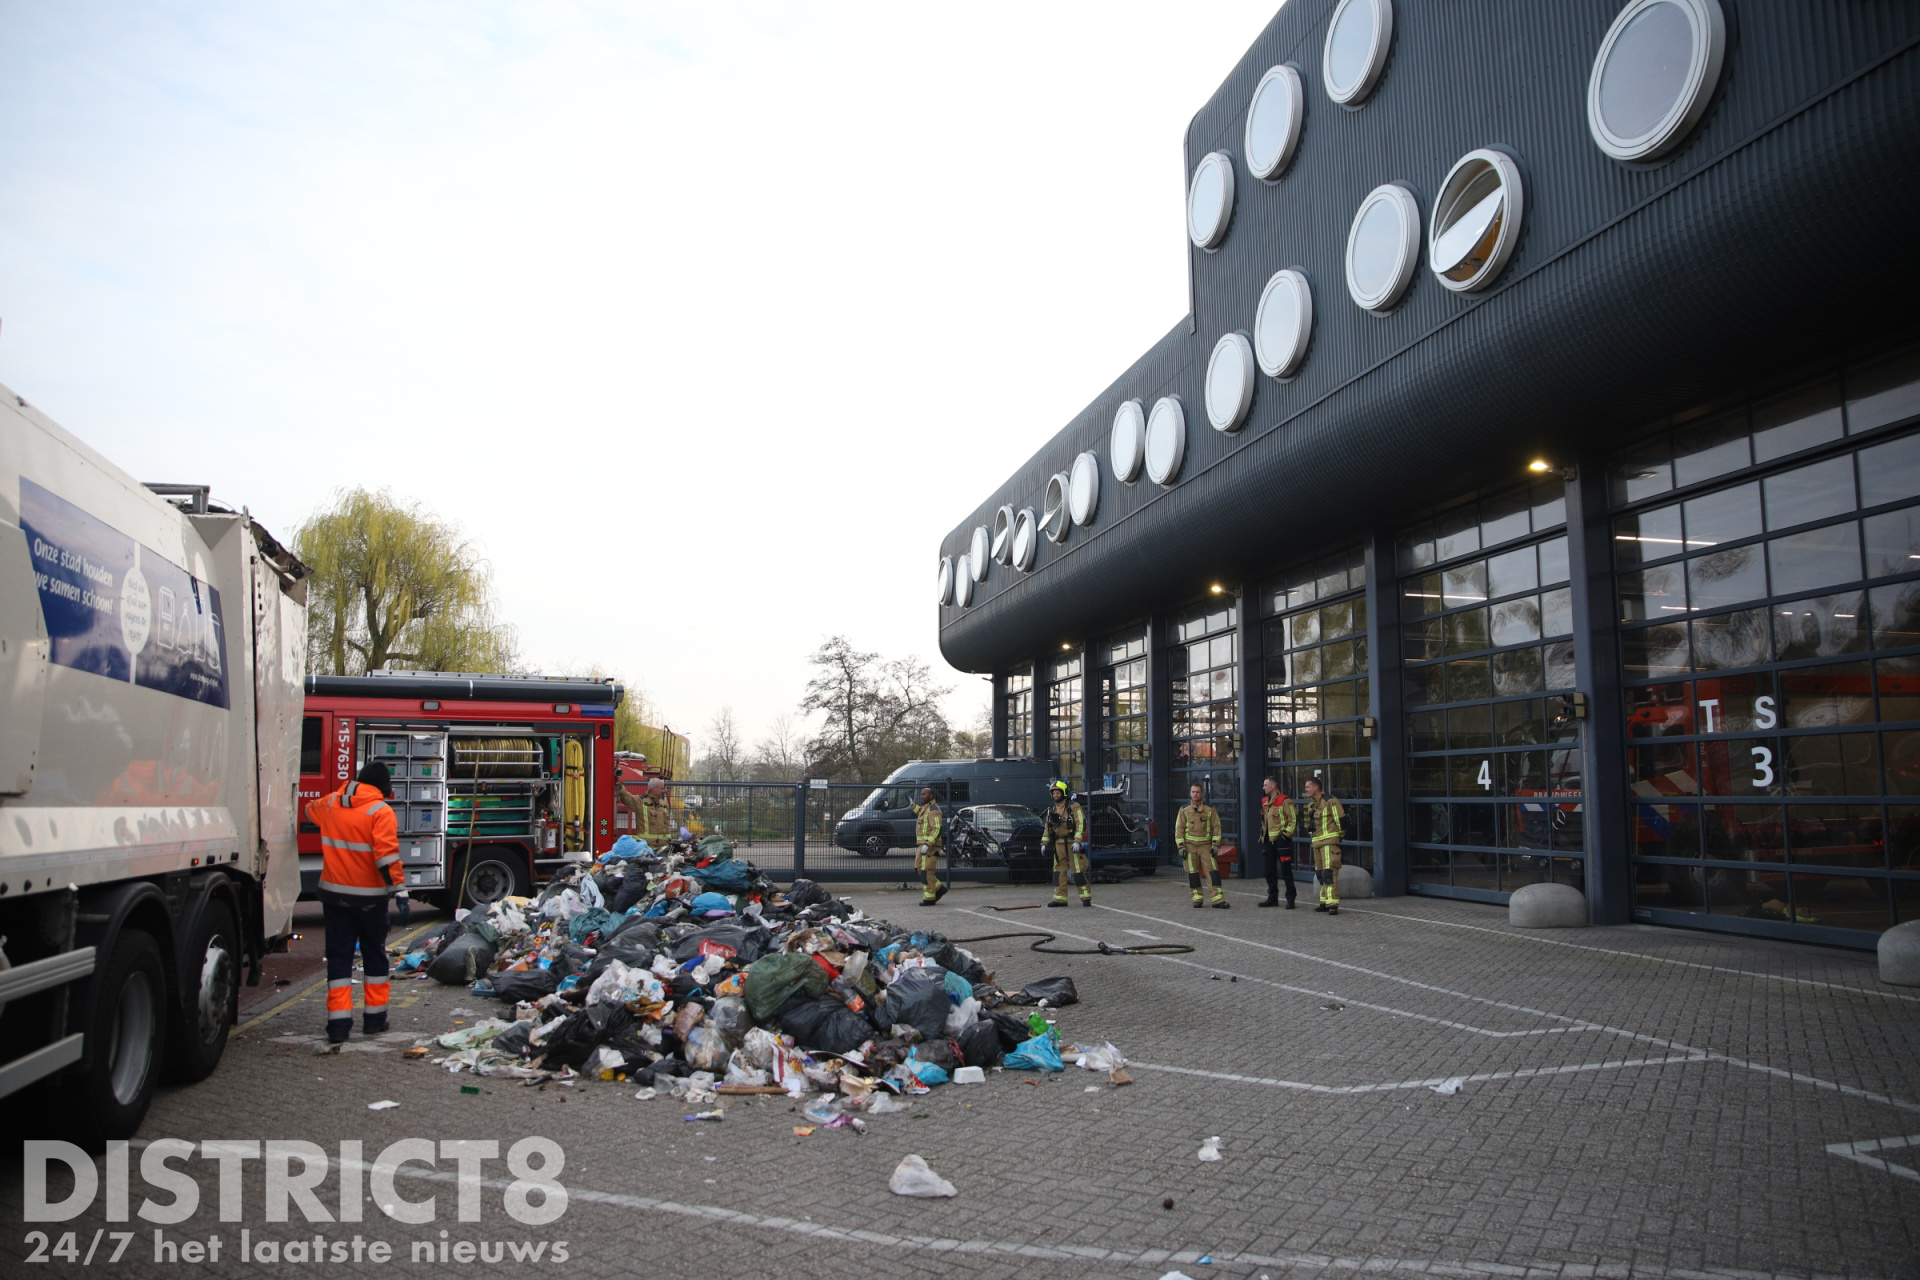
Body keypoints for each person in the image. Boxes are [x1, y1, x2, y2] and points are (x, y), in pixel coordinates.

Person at [308, 761, 405, 1044]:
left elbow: (308, 811)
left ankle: (338, 1027)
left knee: (339, 957)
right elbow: (387, 857)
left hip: (334, 896)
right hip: (369, 899)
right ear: (383, 788)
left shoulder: (331, 803)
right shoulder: (380, 811)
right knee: (375, 955)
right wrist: (401, 893)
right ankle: (374, 1020)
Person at [1175, 782, 1229, 909]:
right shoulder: (1184, 810)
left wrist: (1215, 845)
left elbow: (1217, 827)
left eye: (1197, 792)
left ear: (1202, 793)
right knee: (1193, 874)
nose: (1195, 794)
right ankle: (1197, 898)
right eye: (1193, 792)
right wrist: (1181, 846)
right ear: (1190, 793)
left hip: (1206, 846)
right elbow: (1179, 829)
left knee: (1212, 873)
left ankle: (1217, 899)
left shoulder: (1210, 809)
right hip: (1189, 847)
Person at [1042, 780, 1091, 907]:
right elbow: (1048, 827)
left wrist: (1077, 841)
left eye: (1058, 792)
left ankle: (1085, 897)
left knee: (1078, 872)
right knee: (1058, 872)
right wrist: (1044, 843)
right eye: (1054, 793)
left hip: (1072, 844)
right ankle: (1060, 898)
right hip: (1058, 845)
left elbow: (1081, 823)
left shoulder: (1074, 806)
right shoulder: (1051, 809)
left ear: (1064, 793)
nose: (1056, 795)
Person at [1303, 775, 1346, 914]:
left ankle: (1332, 904)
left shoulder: (1330, 801)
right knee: (1320, 874)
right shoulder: (1310, 805)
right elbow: (1308, 825)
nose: (1306, 789)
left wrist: (1339, 836)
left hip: (1329, 843)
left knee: (1329, 873)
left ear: (1316, 788)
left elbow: (1340, 820)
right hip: (1316, 844)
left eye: (1308, 787)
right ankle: (1324, 902)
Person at [1258, 776, 1298, 908]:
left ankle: (1290, 899)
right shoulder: (1264, 801)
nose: (1263, 788)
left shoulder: (1285, 800)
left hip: (1281, 841)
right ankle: (1272, 898)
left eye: (1265, 785)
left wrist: (1286, 836)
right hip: (1268, 841)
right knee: (1269, 871)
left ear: (1273, 786)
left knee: (1286, 871)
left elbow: (1293, 819)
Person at [912, 786, 948, 905]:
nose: (922, 796)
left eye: (924, 794)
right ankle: (939, 888)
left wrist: (928, 844)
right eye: (921, 794)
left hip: (930, 846)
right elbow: (921, 813)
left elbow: (937, 829)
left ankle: (929, 898)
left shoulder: (934, 810)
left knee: (926, 871)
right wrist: (913, 806)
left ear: (931, 796)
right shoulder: (925, 808)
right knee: (918, 868)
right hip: (923, 845)